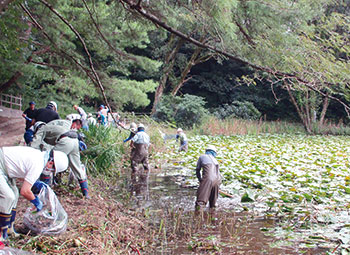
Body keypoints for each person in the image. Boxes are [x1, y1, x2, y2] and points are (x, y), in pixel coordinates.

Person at [0, 146, 68, 242]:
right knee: (8, 197)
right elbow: (25, 191)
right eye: (52, 170)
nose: (50, 172)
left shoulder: (38, 156)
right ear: (50, 163)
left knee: (15, 194)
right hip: (1, 164)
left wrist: (34, 184)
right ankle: (1, 234)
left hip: (6, 168)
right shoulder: (38, 164)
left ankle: (9, 229)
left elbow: (22, 175)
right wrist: (36, 201)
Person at [30, 119, 90, 199]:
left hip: (65, 140)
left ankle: (42, 191)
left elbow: (35, 143)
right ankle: (86, 194)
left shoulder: (42, 128)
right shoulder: (57, 125)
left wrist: (31, 152)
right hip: (75, 141)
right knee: (77, 167)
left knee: (49, 163)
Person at [195, 145, 221, 211]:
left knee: (200, 202)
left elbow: (197, 170)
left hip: (208, 178)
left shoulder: (202, 157)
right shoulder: (215, 160)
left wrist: (200, 180)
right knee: (213, 204)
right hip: (218, 180)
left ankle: (198, 218)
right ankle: (212, 216)